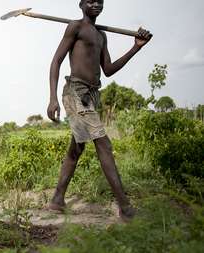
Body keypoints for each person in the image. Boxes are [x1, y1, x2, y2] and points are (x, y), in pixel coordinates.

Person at [46, 0, 152, 221]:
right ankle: (125, 208)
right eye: (91, 1)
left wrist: (136, 47)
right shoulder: (75, 27)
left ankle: (57, 199)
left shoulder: (101, 36)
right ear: (81, 4)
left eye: (100, 1)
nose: (96, 4)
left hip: (93, 94)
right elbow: (56, 61)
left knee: (77, 147)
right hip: (75, 92)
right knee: (103, 143)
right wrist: (53, 98)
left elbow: (109, 69)